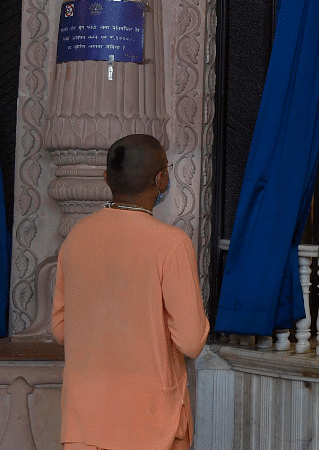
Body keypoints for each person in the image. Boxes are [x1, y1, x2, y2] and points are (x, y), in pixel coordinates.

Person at [53, 134, 209, 450]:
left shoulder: (76, 238)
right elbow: (192, 341)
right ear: (161, 179)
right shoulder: (171, 244)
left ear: (106, 177)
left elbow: (60, 330)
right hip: (150, 424)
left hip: (84, 420)